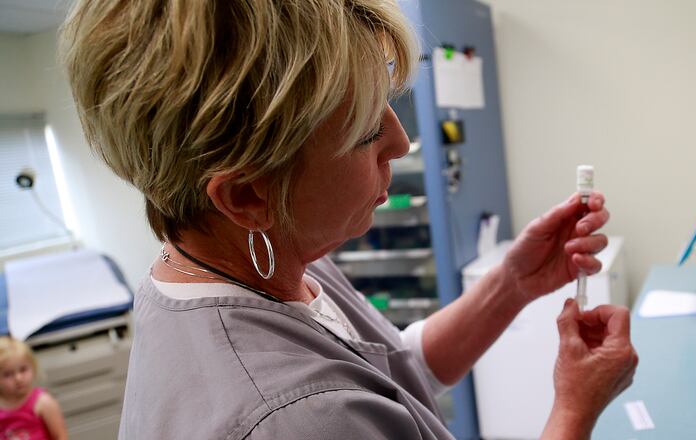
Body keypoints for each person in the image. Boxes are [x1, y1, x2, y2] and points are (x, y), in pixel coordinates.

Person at [59, 0, 637, 438]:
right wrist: (574, 408)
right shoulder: (298, 420)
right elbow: (339, 401)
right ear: (247, 194)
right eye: (365, 132)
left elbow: (399, 373)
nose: (402, 142)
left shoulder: (257, 256)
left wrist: (512, 284)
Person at [0, 337, 67, 440]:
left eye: (23, 370)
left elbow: (61, 436)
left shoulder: (43, 402)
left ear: (33, 367)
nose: (18, 378)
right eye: (8, 374)